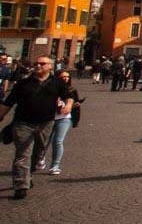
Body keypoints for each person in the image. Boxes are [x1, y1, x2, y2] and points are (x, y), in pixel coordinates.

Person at [0, 56, 72, 199]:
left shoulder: (57, 83)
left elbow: (68, 96)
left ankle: (28, 173)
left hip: (45, 123)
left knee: (39, 152)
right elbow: (9, 102)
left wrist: (68, 106)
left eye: (42, 63)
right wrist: (1, 115)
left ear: (50, 66)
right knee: (23, 154)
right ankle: (21, 186)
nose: (38, 65)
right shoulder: (23, 83)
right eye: (36, 63)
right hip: (23, 123)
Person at [46, 69, 82, 175]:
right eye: (63, 77)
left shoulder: (71, 89)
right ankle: (40, 158)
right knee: (44, 142)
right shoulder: (49, 88)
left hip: (64, 118)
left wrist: (74, 106)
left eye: (67, 77)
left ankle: (55, 165)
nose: (65, 79)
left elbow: (75, 102)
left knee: (58, 141)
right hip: (49, 117)